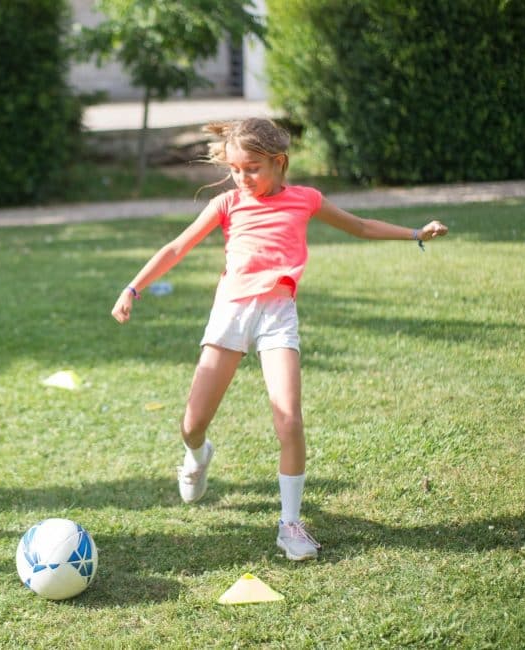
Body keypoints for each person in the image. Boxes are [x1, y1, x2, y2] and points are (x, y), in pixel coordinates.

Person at [111, 118, 447, 561]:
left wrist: (414, 234)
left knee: (289, 420)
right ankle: (197, 456)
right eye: (235, 169)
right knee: (192, 425)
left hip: (277, 316)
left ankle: (290, 524)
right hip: (231, 314)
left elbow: (361, 226)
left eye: (252, 168)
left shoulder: (306, 200)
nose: (242, 178)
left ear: (279, 162)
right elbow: (177, 248)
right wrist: (133, 287)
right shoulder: (228, 203)